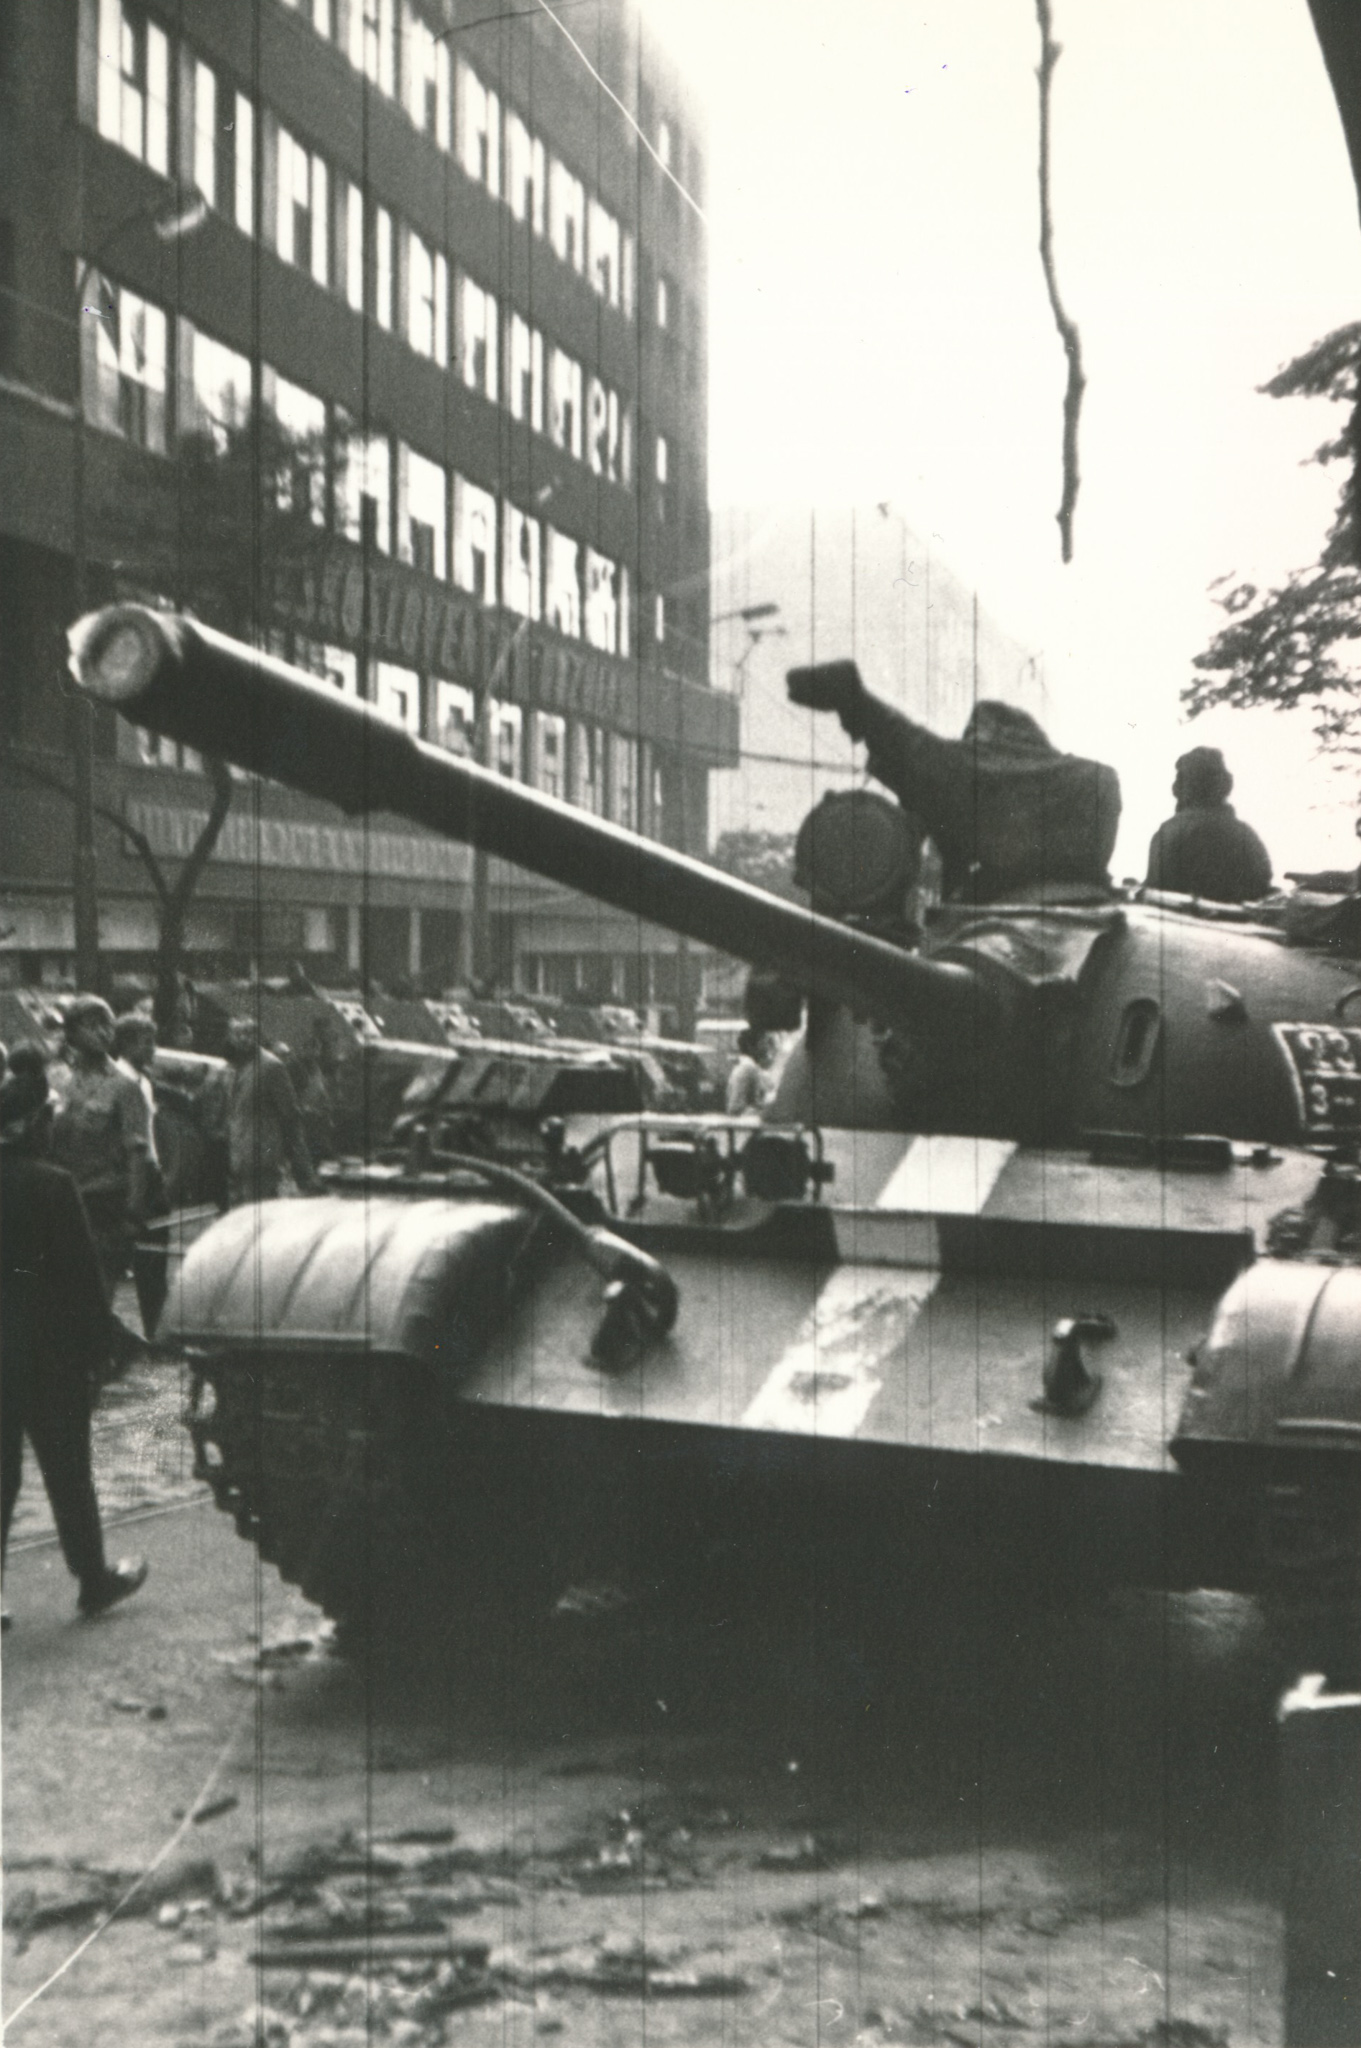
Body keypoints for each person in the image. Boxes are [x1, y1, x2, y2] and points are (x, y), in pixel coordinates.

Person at [1, 1062, 148, 1625]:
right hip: (50, 1354)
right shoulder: (53, 1184)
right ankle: (92, 1579)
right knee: (68, 1471)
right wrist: (101, 1350)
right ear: (33, 1124)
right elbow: (83, 1281)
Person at [786, 660, 1121, 900]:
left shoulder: (967, 784)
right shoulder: (1097, 781)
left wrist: (858, 702)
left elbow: (927, 757)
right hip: (1090, 913)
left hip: (997, 921)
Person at [49, 995, 154, 1313]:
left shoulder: (124, 1088)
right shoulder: (59, 1082)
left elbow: (138, 1153)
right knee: (63, 1295)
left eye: (107, 1024)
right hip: (64, 1202)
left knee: (97, 1297)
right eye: (92, 1025)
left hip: (105, 1205)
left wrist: (133, 1213)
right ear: (71, 1034)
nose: (103, 1032)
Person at [1145, 747, 1273, 902]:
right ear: (1225, 785)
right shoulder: (1246, 835)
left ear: (1180, 788)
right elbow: (1262, 887)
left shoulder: (1169, 833)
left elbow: (1157, 894)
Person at [224, 1016, 318, 1206]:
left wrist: (300, 1164)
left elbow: (290, 1114)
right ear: (231, 1037)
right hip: (237, 1157)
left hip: (262, 1159)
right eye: (238, 1034)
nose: (243, 1039)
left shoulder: (271, 1066)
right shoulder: (232, 1067)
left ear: (258, 1036)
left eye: (249, 1033)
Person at [726, 1028, 776, 1114]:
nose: (767, 1047)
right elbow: (736, 1108)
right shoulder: (747, 1069)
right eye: (763, 1042)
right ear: (751, 1046)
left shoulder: (750, 1068)